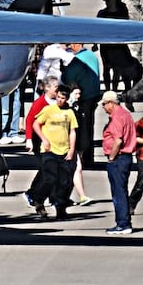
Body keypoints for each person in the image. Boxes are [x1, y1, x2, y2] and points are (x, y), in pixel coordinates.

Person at [31, 87, 80, 219]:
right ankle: (39, 200)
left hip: (64, 151)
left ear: (67, 98)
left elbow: (73, 132)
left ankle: (60, 206)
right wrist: (44, 139)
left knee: (64, 182)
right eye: (58, 97)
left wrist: (71, 150)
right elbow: (36, 124)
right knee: (49, 178)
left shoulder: (70, 113)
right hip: (49, 150)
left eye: (63, 98)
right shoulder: (48, 110)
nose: (60, 100)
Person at [100, 91, 138, 234]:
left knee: (118, 192)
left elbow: (118, 140)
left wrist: (111, 157)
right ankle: (124, 222)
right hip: (125, 158)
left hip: (118, 158)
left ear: (111, 103)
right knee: (121, 190)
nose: (103, 107)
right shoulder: (126, 114)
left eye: (104, 104)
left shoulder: (116, 116)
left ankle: (123, 223)